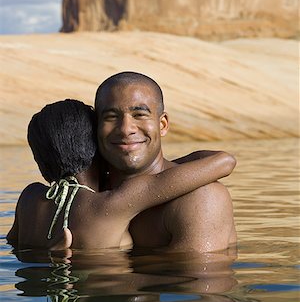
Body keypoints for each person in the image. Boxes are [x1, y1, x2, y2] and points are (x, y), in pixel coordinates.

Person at [7, 99, 235, 250]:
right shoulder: (111, 203)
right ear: (96, 145)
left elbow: (12, 244)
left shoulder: (29, 197)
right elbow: (223, 161)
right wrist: (169, 164)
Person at [95, 71, 237, 252]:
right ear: (96, 126)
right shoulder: (88, 196)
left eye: (139, 115)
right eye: (111, 117)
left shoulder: (201, 198)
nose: (125, 129)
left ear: (162, 125)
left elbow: (199, 277)